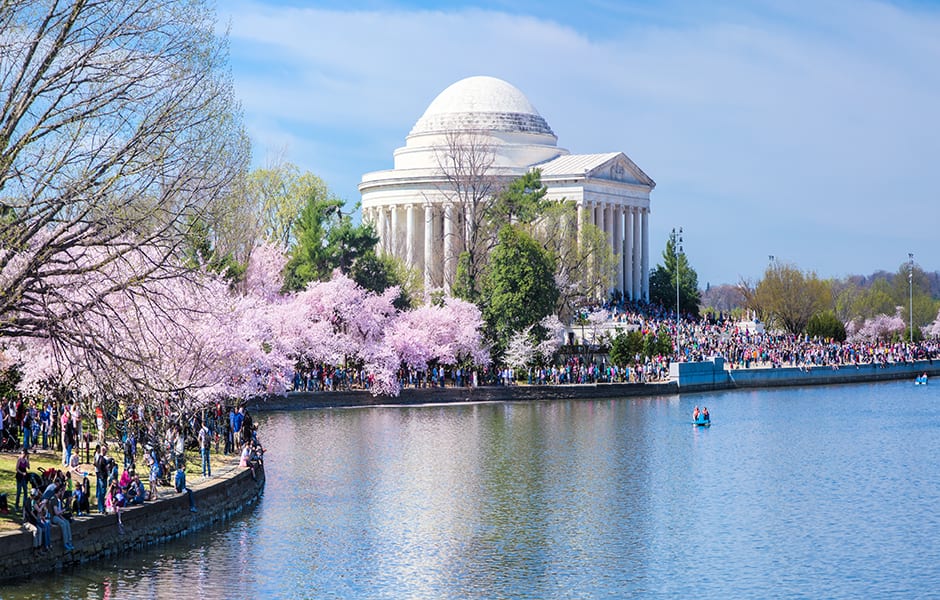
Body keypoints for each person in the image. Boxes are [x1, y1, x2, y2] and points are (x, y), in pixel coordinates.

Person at [50, 485, 74, 552]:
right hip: (53, 517)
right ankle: (65, 543)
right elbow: (56, 512)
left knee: (67, 522)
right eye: (60, 491)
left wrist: (62, 517)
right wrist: (64, 510)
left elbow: (59, 514)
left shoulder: (58, 500)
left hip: (58, 516)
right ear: (57, 492)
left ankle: (70, 541)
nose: (61, 493)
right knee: (63, 524)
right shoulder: (54, 499)